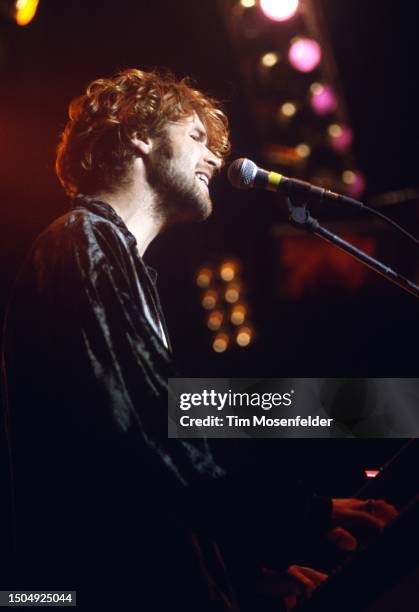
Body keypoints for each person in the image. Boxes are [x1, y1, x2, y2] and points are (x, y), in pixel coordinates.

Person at [1, 68, 397, 611]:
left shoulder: (114, 259)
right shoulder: (82, 241)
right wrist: (303, 516)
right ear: (139, 134)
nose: (213, 158)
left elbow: (135, 472)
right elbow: (153, 423)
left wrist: (241, 579)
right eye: (196, 138)